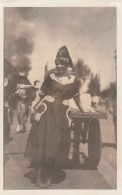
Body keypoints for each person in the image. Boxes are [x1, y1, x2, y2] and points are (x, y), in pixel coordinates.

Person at [24, 46, 94, 188]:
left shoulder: (73, 80)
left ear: (68, 64)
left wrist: (84, 110)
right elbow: (41, 93)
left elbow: (76, 96)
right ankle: (43, 175)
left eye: (62, 63)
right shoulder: (51, 78)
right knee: (46, 142)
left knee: (57, 142)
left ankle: (49, 172)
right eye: (57, 63)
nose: (59, 66)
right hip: (47, 113)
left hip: (62, 114)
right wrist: (33, 106)